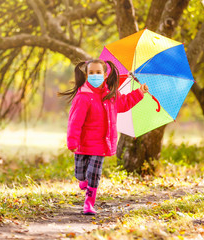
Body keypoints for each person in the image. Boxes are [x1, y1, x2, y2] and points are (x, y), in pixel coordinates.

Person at [59, 59, 148, 215]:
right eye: (91, 73)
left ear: (105, 75)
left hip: (101, 143)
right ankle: (83, 181)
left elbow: (125, 103)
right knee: (80, 174)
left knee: (94, 174)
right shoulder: (83, 96)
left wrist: (139, 93)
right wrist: (72, 141)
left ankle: (88, 203)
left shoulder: (111, 94)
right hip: (82, 144)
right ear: (86, 75)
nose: (95, 75)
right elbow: (75, 122)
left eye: (98, 72)